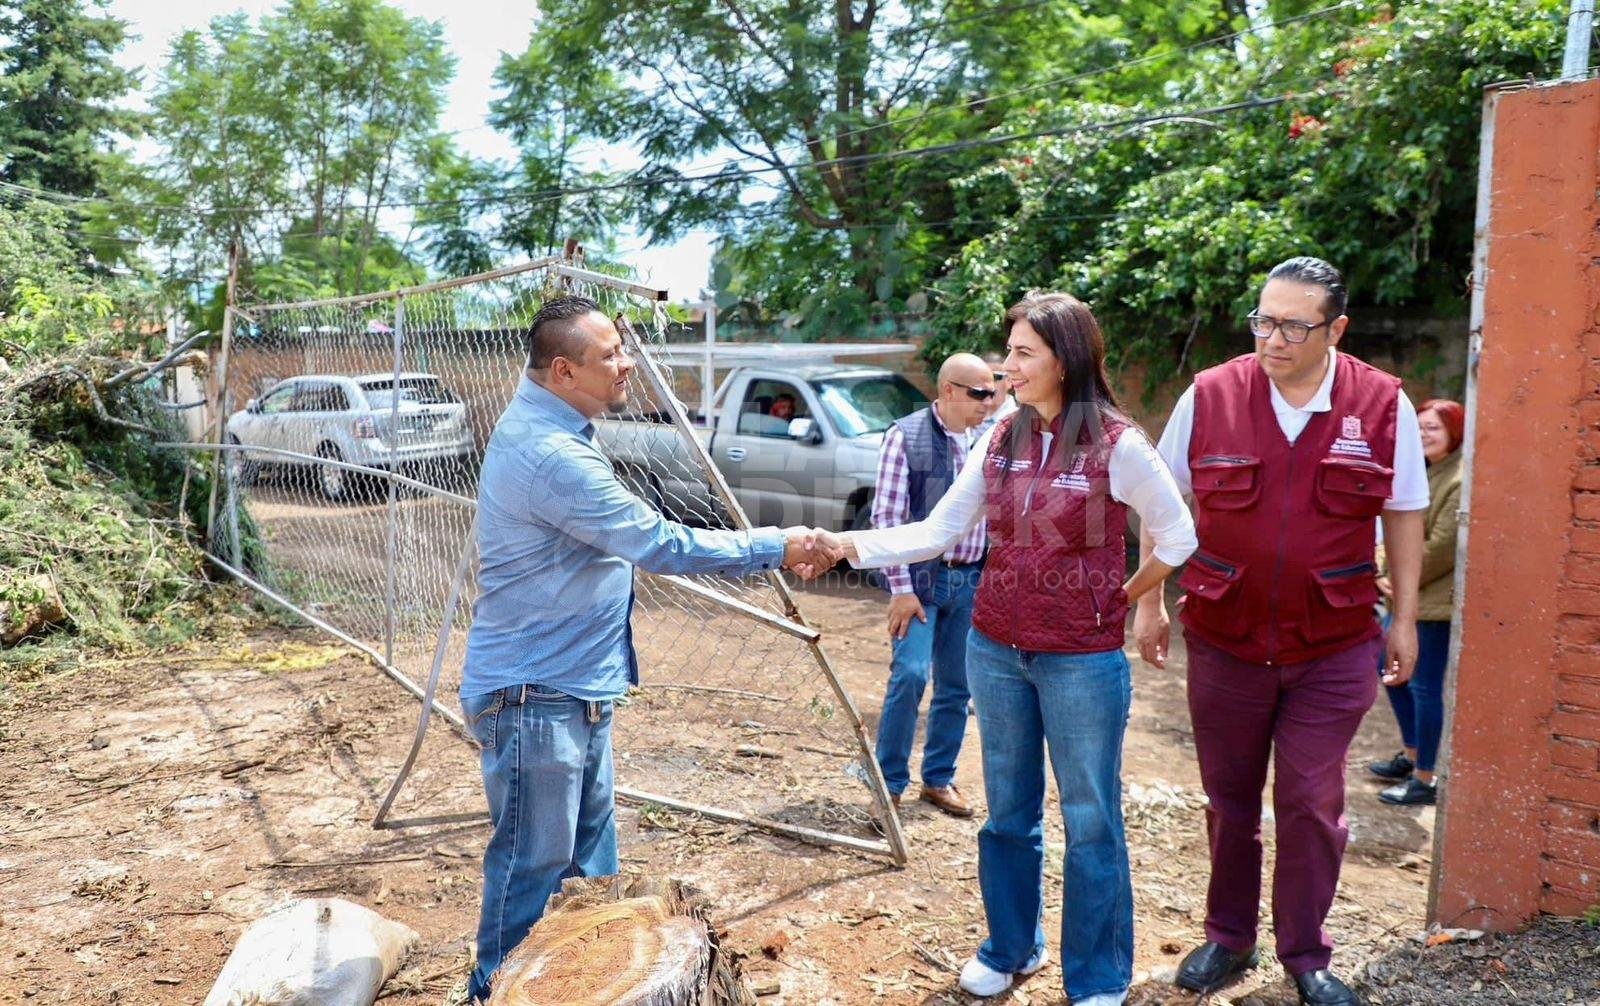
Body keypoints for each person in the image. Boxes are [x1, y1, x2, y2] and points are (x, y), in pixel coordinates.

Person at [819, 292, 1196, 1004]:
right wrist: (845, 545)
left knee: (1090, 820)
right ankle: (1012, 948)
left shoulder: (1118, 443)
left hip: (1080, 661)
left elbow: (1179, 536)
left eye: (1023, 354)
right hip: (995, 650)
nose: (1007, 368)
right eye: (1009, 352)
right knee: (1008, 814)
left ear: (1066, 360)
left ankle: (1098, 976)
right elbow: (936, 530)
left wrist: (1123, 597)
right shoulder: (1001, 435)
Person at [461, 295, 839, 1002]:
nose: (628, 362)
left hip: (572, 686)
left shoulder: (555, 422)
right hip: (536, 695)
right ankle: (493, 991)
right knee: (533, 866)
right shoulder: (551, 453)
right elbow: (658, 543)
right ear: (565, 371)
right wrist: (776, 545)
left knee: (593, 869)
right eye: (611, 354)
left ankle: (588, 987)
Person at [1135, 257, 1428, 1006]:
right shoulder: (1210, 395)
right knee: (1229, 799)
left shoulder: (1381, 404)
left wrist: (1404, 618)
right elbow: (1161, 504)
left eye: (1294, 327)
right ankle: (1229, 937)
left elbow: (1404, 511)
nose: (1273, 339)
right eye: (1263, 321)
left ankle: (1306, 953)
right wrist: (1150, 600)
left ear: (1337, 329)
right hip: (1226, 637)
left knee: (1310, 800)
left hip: (1334, 642)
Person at [869, 352, 996, 818]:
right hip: (921, 583)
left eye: (992, 393)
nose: (988, 401)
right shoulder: (905, 436)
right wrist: (901, 589)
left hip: (972, 579)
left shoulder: (989, 439)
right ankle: (888, 785)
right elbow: (887, 517)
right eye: (979, 393)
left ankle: (938, 779)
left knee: (958, 686)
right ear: (948, 390)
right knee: (910, 675)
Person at [1368, 398, 1465, 806]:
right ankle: (1411, 756)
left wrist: (1396, 576)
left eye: (1434, 428)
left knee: (1424, 687)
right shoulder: (1425, 472)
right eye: (1419, 427)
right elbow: (1391, 531)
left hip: (1432, 606)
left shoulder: (1458, 480)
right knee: (1387, 669)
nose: (1424, 435)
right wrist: (1382, 571)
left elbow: (1441, 548)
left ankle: (1426, 777)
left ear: (1454, 432)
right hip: (1404, 597)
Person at [975, 351, 1019, 437]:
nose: (985, 385)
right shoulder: (965, 417)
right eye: (979, 378)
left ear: (1009, 381)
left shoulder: (1019, 422)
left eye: (993, 377)